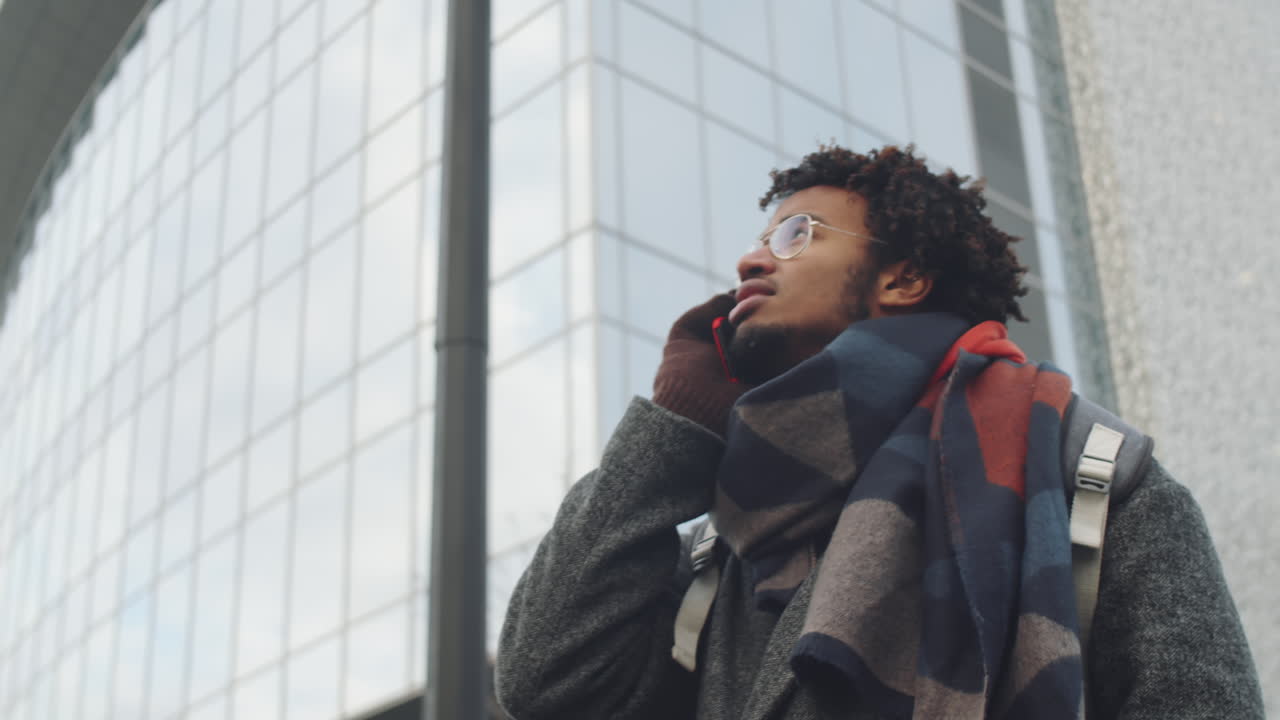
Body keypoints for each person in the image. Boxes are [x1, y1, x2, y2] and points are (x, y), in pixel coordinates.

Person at [494, 145, 1263, 719]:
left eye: (797, 234)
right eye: (763, 238)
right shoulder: (727, 540)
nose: (750, 258)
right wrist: (673, 424)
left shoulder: (1087, 479)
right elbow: (548, 684)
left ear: (903, 278)